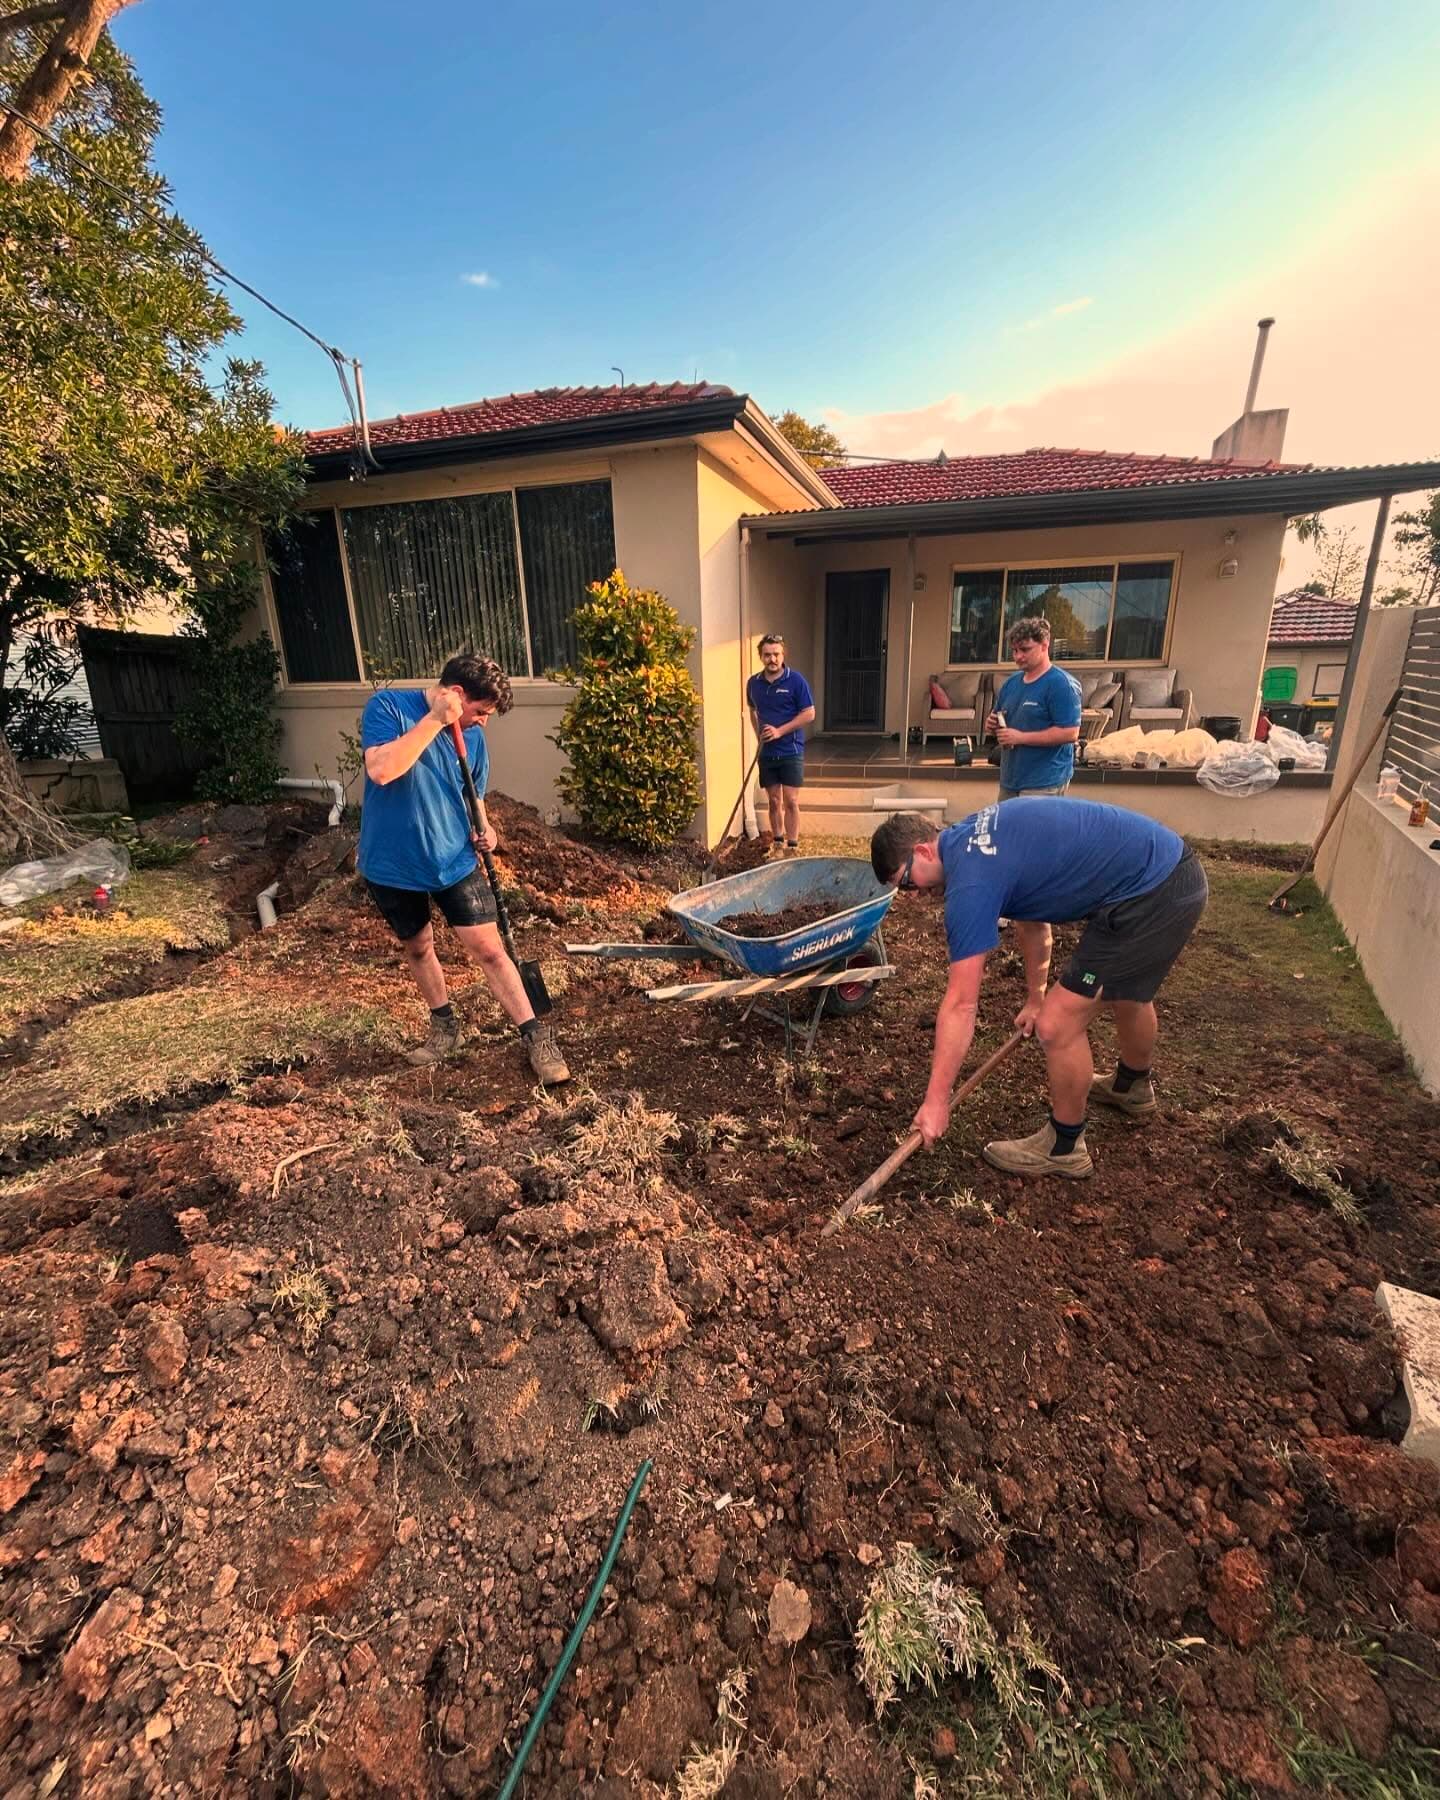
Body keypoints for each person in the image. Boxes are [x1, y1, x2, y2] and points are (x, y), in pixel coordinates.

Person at [870, 800, 1208, 1178]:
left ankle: (1064, 1148)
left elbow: (961, 1005)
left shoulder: (971, 882)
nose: (912, 895)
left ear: (922, 850)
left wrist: (936, 1102)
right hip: (1170, 872)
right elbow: (1031, 920)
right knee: (1126, 991)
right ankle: (1131, 1087)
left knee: (1057, 1024)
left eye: (907, 883)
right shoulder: (974, 841)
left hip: (1150, 894)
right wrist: (1035, 997)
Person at [358, 653, 570, 1082]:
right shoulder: (389, 708)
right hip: (392, 863)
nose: (484, 722)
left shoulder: (472, 737)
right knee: (418, 946)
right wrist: (436, 720)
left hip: (453, 858)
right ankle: (445, 1028)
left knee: (491, 950)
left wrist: (486, 827)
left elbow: (472, 791)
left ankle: (535, 1036)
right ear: (456, 695)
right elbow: (382, 771)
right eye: (481, 711)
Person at [985, 617, 1081, 800]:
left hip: (1044, 782)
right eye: (1014, 651)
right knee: (1007, 828)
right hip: (1010, 779)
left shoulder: (1061, 684)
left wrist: (1020, 737)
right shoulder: (1011, 683)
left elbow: (1070, 733)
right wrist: (992, 724)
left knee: (1036, 829)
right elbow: (1000, 718)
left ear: (1044, 646)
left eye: (1025, 650)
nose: (1018, 656)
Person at [746, 633, 815, 856]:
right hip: (768, 753)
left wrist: (779, 731)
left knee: (791, 800)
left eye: (776, 654)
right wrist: (760, 737)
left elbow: (809, 714)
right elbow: (752, 710)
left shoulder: (796, 681)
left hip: (791, 750)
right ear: (761, 656)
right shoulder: (753, 684)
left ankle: (792, 847)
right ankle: (777, 843)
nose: (772, 659)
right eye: (767, 655)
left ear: (783, 654)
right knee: (774, 801)